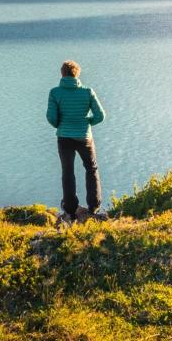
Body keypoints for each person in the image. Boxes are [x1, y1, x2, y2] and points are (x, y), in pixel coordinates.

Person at [45, 59, 106, 221]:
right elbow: (100, 116)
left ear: (62, 74)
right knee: (91, 169)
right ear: (77, 74)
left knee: (68, 172)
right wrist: (87, 123)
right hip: (85, 137)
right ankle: (94, 206)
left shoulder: (55, 93)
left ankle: (71, 210)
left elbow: (51, 118)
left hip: (64, 138)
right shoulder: (88, 92)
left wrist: (60, 124)